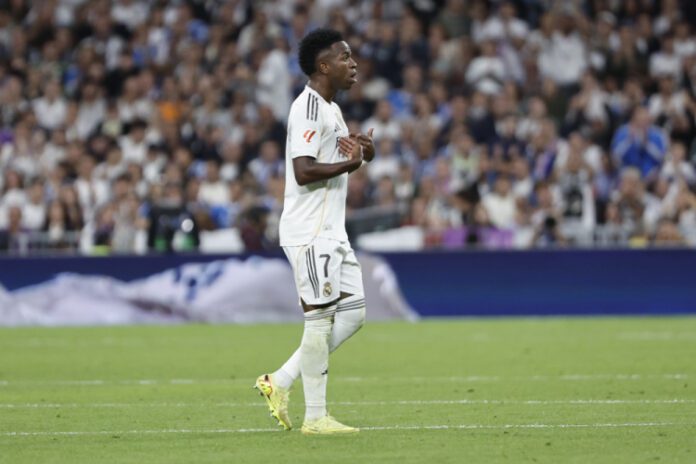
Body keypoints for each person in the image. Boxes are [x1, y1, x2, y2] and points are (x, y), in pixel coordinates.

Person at [254, 28, 375, 435]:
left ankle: (279, 380)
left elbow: (340, 160)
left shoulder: (332, 110)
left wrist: (365, 153)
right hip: (309, 232)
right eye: (345, 57)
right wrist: (351, 165)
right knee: (320, 321)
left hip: (332, 231)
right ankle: (316, 418)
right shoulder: (306, 108)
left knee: (353, 315)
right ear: (323, 66)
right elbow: (304, 170)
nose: (353, 64)